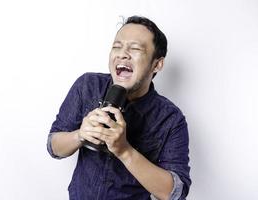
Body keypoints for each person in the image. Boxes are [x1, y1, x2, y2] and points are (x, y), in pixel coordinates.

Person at [47, 16, 191, 200]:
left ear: (157, 64)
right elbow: (53, 146)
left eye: (135, 48)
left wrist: (124, 150)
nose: (122, 54)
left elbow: (176, 193)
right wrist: (80, 135)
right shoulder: (88, 86)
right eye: (117, 46)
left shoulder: (170, 118)